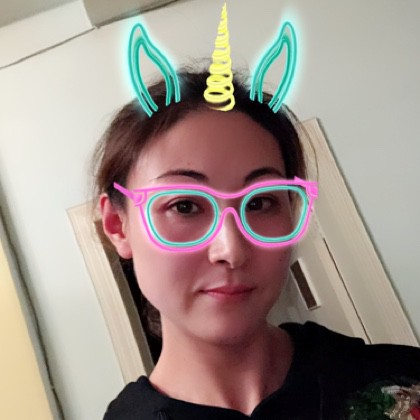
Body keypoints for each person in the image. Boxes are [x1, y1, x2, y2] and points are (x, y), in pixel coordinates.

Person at [94, 70, 420, 419]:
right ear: (117, 226)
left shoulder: (401, 383)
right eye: (184, 206)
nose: (231, 250)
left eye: (260, 202)